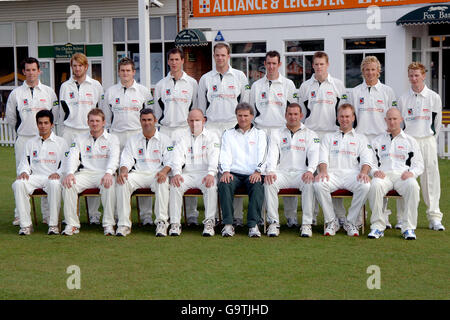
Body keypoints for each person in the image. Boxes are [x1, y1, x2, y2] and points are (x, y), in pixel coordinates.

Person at [198, 42, 251, 227]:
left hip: (232, 128)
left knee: (233, 171)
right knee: (216, 171)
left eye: (223, 55)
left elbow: (245, 105)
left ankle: (235, 216)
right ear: (214, 56)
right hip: (212, 128)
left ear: (228, 56)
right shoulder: (205, 78)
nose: (220, 58)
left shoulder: (240, 76)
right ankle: (217, 217)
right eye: (217, 55)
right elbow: (201, 108)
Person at [6, 57, 59, 226]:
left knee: (46, 173)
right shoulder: (16, 93)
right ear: (23, 72)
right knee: (22, 177)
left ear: (39, 71)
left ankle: (47, 215)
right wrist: (26, 130)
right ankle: (20, 215)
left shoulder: (49, 92)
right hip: (25, 139)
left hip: (45, 139)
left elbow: (55, 115)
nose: (31, 73)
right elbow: (11, 118)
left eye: (33, 69)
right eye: (27, 70)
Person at [102, 57, 154, 226]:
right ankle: (119, 213)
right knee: (119, 174)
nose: (125, 74)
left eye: (128, 70)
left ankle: (146, 215)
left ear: (134, 72)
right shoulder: (110, 92)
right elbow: (106, 118)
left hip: (137, 136)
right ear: (118, 72)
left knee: (143, 171)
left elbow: (150, 115)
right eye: (122, 71)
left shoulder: (144, 92)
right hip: (117, 137)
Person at [250, 50, 299, 227]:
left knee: (288, 170)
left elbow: (294, 109)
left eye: (274, 63)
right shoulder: (256, 86)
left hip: (282, 133)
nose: (271, 67)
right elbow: (252, 113)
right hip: (262, 133)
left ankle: (291, 216)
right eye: (268, 63)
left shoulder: (288, 85)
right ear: (265, 64)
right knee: (264, 175)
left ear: (279, 64)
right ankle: (263, 214)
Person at [347, 56, 397, 228]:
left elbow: (393, 115)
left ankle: (383, 216)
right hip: (361, 139)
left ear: (379, 71)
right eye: (367, 69)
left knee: (380, 178)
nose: (370, 73)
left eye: (373, 69)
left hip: (381, 139)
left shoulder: (388, 91)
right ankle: (361, 216)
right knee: (361, 178)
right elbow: (351, 119)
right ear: (362, 71)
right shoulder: (354, 92)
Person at [298, 51, 347, 226]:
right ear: (312, 65)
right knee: (312, 176)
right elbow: (302, 115)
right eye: (316, 64)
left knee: (330, 175)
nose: (319, 67)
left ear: (328, 65)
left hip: (331, 134)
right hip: (311, 135)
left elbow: (343, 112)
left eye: (322, 64)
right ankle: (311, 217)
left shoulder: (338, 85)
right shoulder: (305, 86)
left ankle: (339, 215)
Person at [153, 47, 200, 226]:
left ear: (182, 61)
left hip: (184, 131)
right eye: (171, 59)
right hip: (165, 131)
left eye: (177, 59)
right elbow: (157, 112)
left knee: (186, 171)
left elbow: (195, 109)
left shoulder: (192, 84)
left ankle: (192, 214)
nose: (174, 63)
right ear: (168, 61)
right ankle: (171, 216)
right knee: (168, 171)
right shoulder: (160, 85)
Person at [314, 103, 373, 237]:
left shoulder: (361, 138)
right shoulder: (328, 137)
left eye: (347, 116)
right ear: (337, 118)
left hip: (352, 175)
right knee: (318, 184)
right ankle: (331, 221)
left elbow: (366, 160)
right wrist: (323, 171)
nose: (344, 119)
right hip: (332, 175)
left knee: (365, 185)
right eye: (341, 116)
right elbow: (322, 159)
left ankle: (350, 221)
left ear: (353, 118)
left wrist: (364, 173)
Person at [398, 62, 444, 231]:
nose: (414, 78)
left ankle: (434, 217)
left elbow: (437, 125)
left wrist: (430, 139)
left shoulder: (434, 97)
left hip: (427, 141)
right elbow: (401, 125)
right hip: (409, 142)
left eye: (417, 75)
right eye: (411, 75)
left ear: (423, 76)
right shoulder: (403, 98)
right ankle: (402, 218)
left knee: (430, 179)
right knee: (405, 178)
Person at [59, 53, 104, 224]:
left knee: (92, 170)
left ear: (86, 67)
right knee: (69, 171)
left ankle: (93, 215)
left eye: (80, 66)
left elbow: (100, 109)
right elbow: (61, 112)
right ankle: (70, 214)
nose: (77, 69)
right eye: (74, 66)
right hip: (70, 131)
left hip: (89, 132)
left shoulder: (95, 85)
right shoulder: (65, 86)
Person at [61, 108, 120, 236]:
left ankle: (108, 224)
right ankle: (72, 225)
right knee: (69, 184)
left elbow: (114, 157)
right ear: (87, 122)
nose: (94, 124)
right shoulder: (79, 138)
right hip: (85, 173)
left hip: (103, 174)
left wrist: (109, 172)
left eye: (97, 121)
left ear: (103, 122)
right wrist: (70, 172)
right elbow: (73, 156)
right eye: (92, 121)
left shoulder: (112, 139)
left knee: (109, 184)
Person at [264, 103, 320, 237]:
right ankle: (273, 223)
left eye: (296, 114)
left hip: (301, 173)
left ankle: (306, 224)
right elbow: (272, 154)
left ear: (301, 115)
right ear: (285, 115)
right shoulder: (276, 133)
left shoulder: (311, 134)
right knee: (269, 182)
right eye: (290, 114)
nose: (293, 117)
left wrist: (310, 170)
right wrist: (270, 171)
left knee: (309, 183)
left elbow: (314, 154)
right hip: (282, 172)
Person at [368, 108, 424, 240]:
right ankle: (377, 226)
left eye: (395, 119)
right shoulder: (377, 141)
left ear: (401, 120)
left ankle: (408, 228)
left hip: (402, 176)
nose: (392, 122)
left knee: (413, 186)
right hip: (384, 176)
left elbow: (419, 164)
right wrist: (375, 171)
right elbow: (371, 162)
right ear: (385, 120)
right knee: (375, 185)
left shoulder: (410, 141)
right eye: (389, 119)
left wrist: (412, 173)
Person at [115, 108, 172, 237]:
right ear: (140, 121)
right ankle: (124, 224)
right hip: (139, 173)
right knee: (122, 181)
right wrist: (123, 171)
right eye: (144, 120)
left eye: (149, 120)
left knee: (163, 182)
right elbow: (126, 159)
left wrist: (163, 172)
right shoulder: (133, 140)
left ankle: (161, 223)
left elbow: (170, 160)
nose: (147, 123)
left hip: (156, 173)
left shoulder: (165, 139)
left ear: (155, 121)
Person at [12, 110, 68, 235]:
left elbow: (66, 163)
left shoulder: (61, 142)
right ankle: (26, 225)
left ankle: (53, 225)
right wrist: (24, 172)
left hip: (52, 177)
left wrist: (58, 173)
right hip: (35, 177)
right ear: (37, 124)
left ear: (52, 124)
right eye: (40, 123)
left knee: (54, 184)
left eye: (46, 123)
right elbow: (24, 162)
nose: (43, 126)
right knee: (18, 184)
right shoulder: (30, 143)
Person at [218, 102, 267, 238]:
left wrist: (258, 171)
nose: (243, 119)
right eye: (240, 115)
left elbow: (263, 154)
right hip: (233, 173)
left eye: (246, 115)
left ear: (252, 116)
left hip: (253, 173)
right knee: (224, 183)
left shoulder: (260, 134)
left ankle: (253, 225)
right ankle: (228, 225)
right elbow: (224, 153)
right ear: (236, 116)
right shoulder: (228, 134)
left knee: (257, 186)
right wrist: (226, 171)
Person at [168, 109, 220, 236]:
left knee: (211, 185)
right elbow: (177, 156)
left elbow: (215, 156)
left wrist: (211, 173)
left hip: (205, 173)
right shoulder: (181, 136)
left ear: (204, 121)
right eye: (191, 120)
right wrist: (177, 173)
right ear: (187, 121)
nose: (194, 123)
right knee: (175, 184)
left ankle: (209, 222)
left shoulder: (212, 136)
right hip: (187, 174)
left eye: (197, 120)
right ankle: (175, 223)